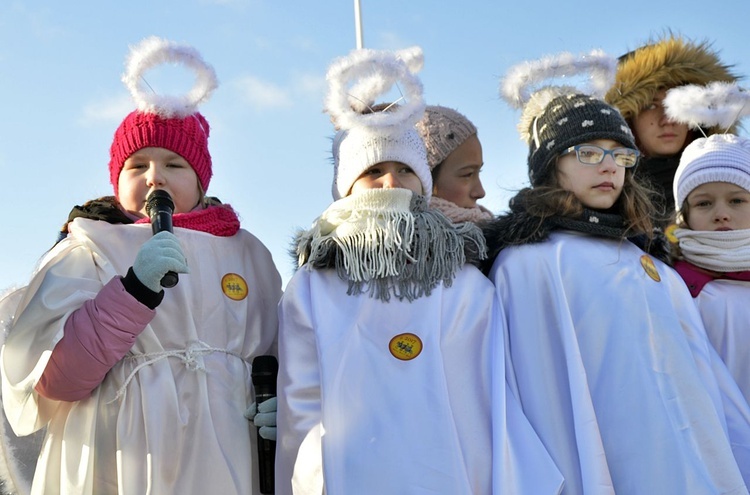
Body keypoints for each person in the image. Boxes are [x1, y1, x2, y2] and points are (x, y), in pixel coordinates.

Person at [0, 37, 282, 495]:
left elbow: (279, 352)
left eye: (174, 163)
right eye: (138, 165)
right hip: (118, 459)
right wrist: (132, 292)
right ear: (117, 178)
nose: (155, 176)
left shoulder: (249, 254)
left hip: (224, 460)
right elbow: (56, 379)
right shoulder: (87, 246)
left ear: (201, 178)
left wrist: (281, 406)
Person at [275, 47, 562, 495]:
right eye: (373, 172)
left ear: (423, 184)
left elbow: (490, 394)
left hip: (451, 467)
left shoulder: (461, 279)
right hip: (352, 471)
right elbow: (302, 401)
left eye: (404, 171)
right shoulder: (315, 283)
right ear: (346, 186)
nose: (390, 184)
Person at [487, 51, 750, 494]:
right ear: (551, 164)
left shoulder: (652, 263)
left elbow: (703, 384)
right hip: (597, 459)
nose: (609, 166)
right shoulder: (531, 263)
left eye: (620, 155)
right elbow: (534, 391)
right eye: (588, 153)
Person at [605, 33, 739, 220]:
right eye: (650, 106)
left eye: (679, 103)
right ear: (627, 118)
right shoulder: (601, 200)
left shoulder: (739, 186)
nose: (668, 119)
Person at [415, 105, 493, 222]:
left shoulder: (490, 230)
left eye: (479, 172)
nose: (481, 192)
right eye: (468, 174)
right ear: (425, 180)